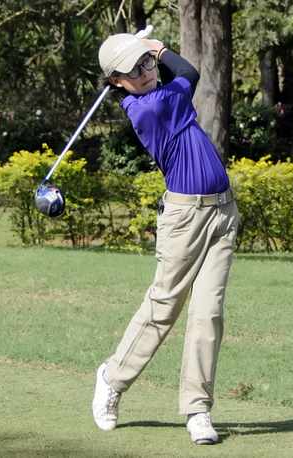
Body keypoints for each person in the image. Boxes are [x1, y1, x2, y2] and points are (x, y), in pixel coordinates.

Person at [91, 31, 239, 446]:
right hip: (184, 218)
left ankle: (198, 409)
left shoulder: (158, 93)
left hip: (223, 213)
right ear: (116, 82)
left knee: (208, 314)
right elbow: (188, 71)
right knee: (163, 308)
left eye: (146, 64)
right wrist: (157, 47)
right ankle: (112, 379)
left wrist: (145, 52)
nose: (145, 72)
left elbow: (182, 74)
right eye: (133, 70)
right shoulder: (149, 107)